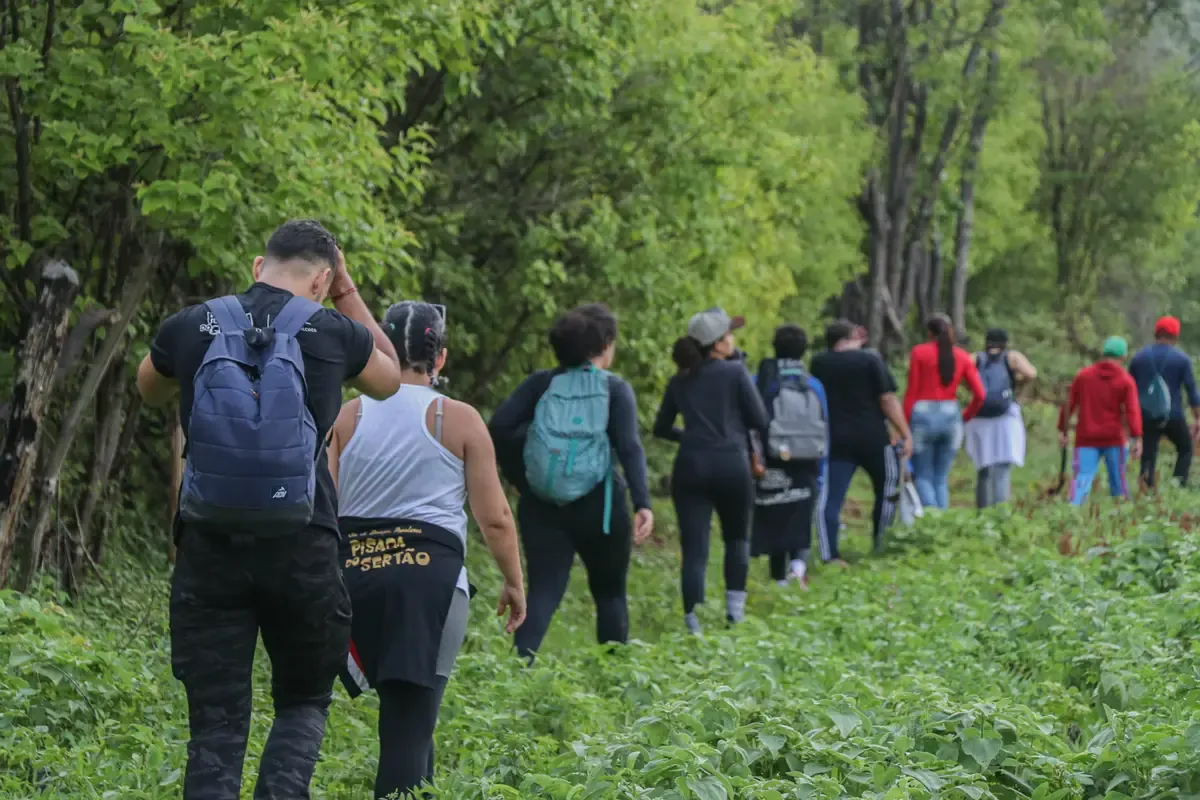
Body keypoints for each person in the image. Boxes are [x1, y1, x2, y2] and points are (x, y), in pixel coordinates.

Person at [135, 220, 404, 799]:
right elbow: (390, 378)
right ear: (324, 278)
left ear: (259, 266)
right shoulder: (333, 331)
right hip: (303, 548)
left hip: (209, 547)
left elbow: (149, 389)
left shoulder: (193, 324)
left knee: (216, 722)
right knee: (303, 701)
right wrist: (345, 293)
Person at [327, 301, 526, 799]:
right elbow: (496, 518)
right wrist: (514, 581)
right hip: (429, 584)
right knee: (408, 728)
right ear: (440, 358)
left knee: (411, 724)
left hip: (356, 578)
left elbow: (322, 509)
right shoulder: (456, 418)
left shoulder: (345, 416)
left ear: (380, 350)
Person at [490, 304, 654, 660]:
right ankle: (613, 677)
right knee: (610, 593)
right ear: (605, 345)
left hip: (542, 505)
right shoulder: (614, 389)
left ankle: (519, 671)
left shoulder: (540, 385)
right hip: (602, 508)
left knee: (543, 592)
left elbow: (500, 427)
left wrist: (522, 477)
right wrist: (643, 503)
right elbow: (629, 447)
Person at [653, 307, 768, 633]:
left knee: (695, 549)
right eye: (728, 334)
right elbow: (760, 420)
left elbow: (661, 427)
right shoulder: (735, 373)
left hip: (691, 465)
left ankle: (694, 623)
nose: (732, 339)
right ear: (716, 344)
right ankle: (735, 615)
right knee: (736, 539)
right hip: (732, 463)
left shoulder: (681, 379)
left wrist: (688, 436)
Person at [810, 320, 912, 564]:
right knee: (887, 490)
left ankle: (829, 554)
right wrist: (904, 432)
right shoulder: (870, 360)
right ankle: (881, 543)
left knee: (830, 498)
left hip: (834, 439)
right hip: (873, 438)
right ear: (851, 337)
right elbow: (887, 399)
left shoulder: (819, 362)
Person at [751, 324, 828, 588]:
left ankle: (779, 577)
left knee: (776, 509)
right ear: (804, 351)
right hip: (807, 459)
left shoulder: (762, 379)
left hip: (774, 457)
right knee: (801, 512)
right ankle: (798, 567)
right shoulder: (813, 384)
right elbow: (824, 423)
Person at [902, 314, 986, 510]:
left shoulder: (919, 353)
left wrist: (903, 426)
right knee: (941, 477)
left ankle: (932, 518)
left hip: (922, 415)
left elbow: (911, 392)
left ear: (929, 333)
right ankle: (943, 523)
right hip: (951, 416)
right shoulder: (963, 356)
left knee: (923, 475)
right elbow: (980, 395)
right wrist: (965, 416)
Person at [1058, 336, 1144, 505]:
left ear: (1104, 353)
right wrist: (1137, 438)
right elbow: (1132, 412)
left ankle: (1072, 518)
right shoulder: (1126, 381)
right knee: (1118, 482)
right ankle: (1121, 519)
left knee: (1082, 480)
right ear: (1123, 356)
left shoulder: (1083, 376)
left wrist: (1063, 429)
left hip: (1086, 438)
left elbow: (1069, 404)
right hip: (1115, 439)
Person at [963, 328, 1038, 508]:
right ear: (1005, 342)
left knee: (983, 467)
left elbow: (960, 373)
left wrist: (973, 389)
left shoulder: (976, 358)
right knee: (1002, 467)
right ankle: (1000, 511)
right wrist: (1017, 384)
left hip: (979, 418)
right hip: (1005, 416)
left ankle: (982, 511)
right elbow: (1031, 373)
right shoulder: (1011, 357)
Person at [1127, 316, 1200, 489]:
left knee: (1149, 454)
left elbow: (1129, 391)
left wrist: (1128, 421)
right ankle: (1178, 484)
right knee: (1185, 448)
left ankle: (1146, 489)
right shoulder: (1182, 359)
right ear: (1175, 336)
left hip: (1146, 415)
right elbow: (1192, 391)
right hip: (1173, 416)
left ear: (1156, 333)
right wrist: (1197, 418)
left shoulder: (1139, 358)